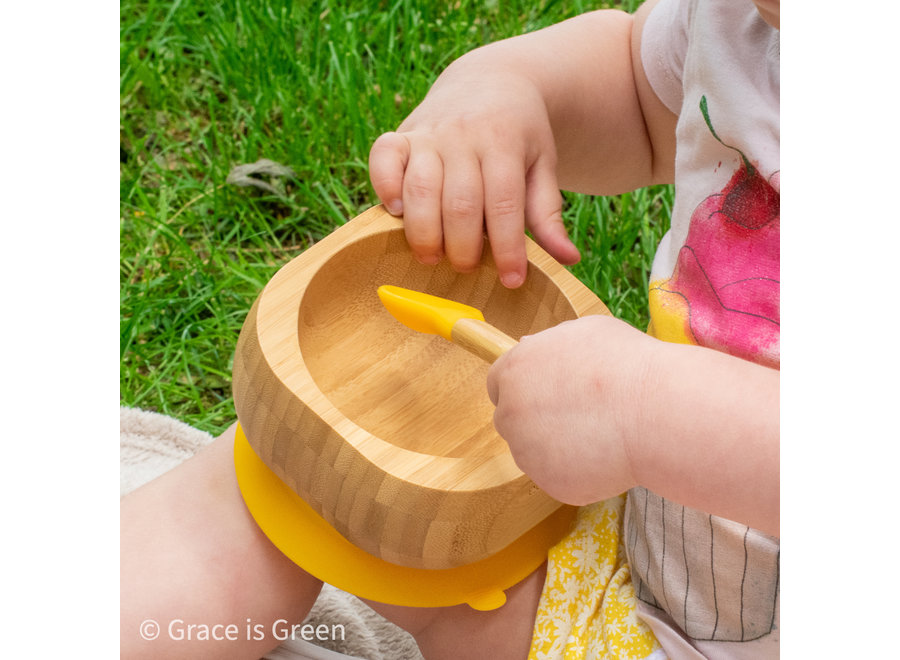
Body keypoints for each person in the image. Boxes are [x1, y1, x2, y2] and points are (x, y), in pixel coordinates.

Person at [121, 0, 779, 657]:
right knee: (307, 471)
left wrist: (643, 410)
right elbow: (642, 98)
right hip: (632, 546)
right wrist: (511, 87)